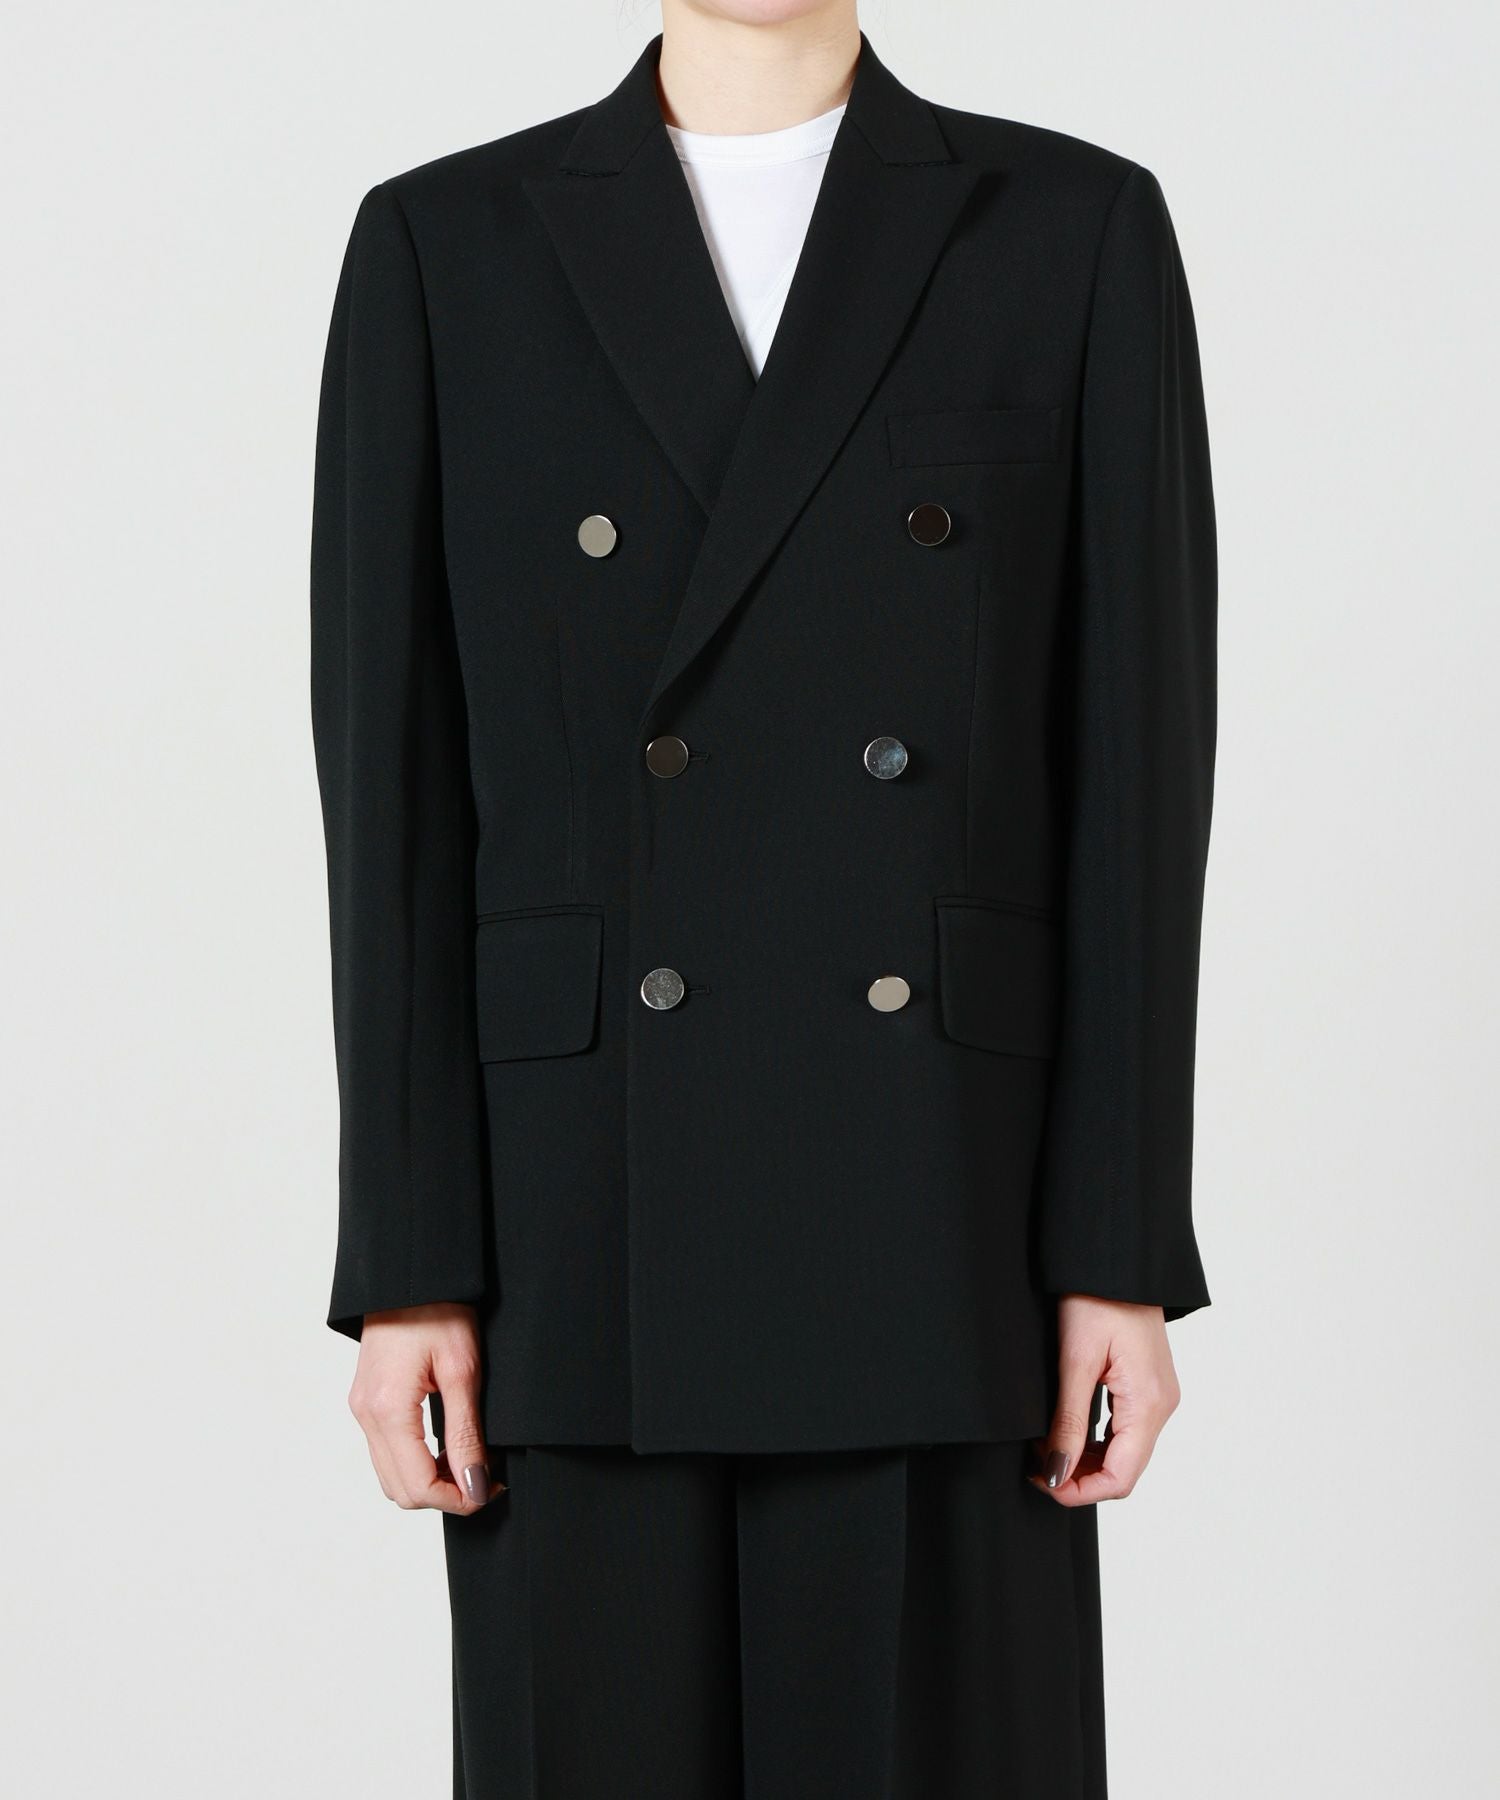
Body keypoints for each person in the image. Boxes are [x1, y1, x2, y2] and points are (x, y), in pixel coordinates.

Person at [309, 1, 1216, 1794]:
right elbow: (391, 787)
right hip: (581, 1218)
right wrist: (410, 1266)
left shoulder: (1071, 227)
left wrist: (1115, 1248)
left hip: (943, 1207)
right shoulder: (441, 244)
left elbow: (1134, 769)